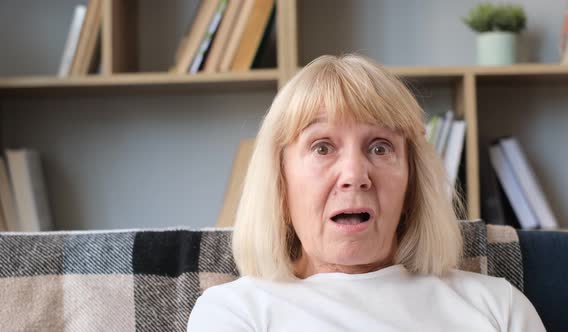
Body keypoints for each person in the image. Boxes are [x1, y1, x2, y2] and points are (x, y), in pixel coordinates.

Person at [187, 54, 545, 331]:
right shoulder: (233, 312)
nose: (355, 175)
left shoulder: (500, 308)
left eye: (379, 148)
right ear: (279, 184)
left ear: (411, 185)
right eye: (323, 147)